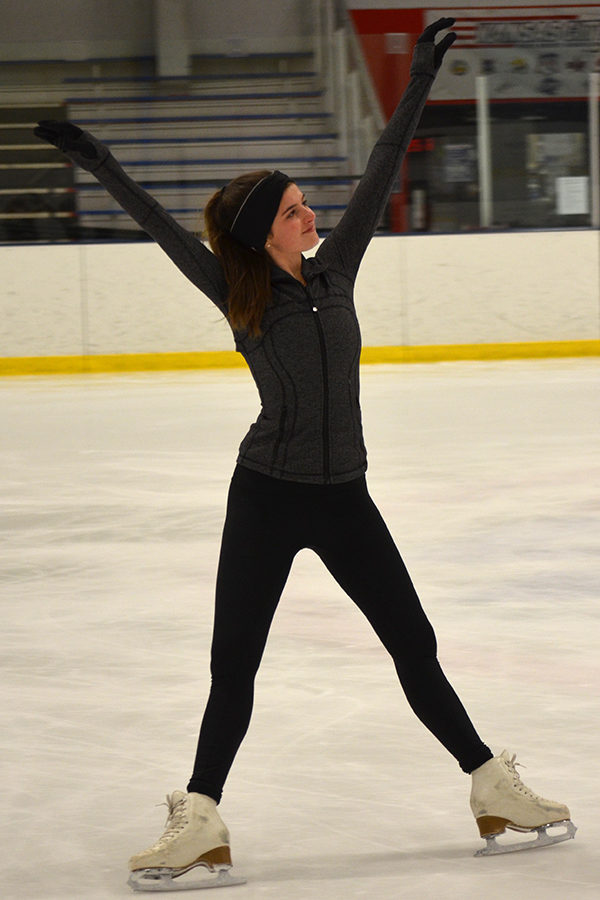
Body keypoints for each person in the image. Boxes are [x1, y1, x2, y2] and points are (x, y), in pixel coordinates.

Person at [35, 18, 575, 891]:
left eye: (304, 205)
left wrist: (419, 81)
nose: (311, 214)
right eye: (293, 210)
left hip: (345, 496)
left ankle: (491, 788)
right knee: (233, 666)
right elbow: (161, 226)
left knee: (415, 644)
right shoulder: (237, 292)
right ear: (265, 233)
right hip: (267, 497)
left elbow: (381, 168)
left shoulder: (339, 268)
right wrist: (98, 160)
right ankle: (200, 817)